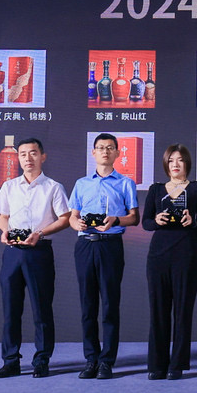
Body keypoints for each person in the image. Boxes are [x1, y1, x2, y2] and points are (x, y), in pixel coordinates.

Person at [0, 138, 71, 378]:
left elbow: (65, 218)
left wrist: (40, 233)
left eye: (33, 153)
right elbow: (2, 217)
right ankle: (10, 361)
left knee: (41, 309)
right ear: (18, 158)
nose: (28, 158)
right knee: (10, 309)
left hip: (39, 251)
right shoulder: (9, 186)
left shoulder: (53, 187)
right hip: (13, 252)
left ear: (42, 156)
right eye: (23, 154)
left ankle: (42, 360)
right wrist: (4, 231)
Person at [68, 134, 140, 380]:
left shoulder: (125, 183)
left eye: (110, 148)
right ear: (93, 153)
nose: (105, 151)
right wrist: (76, 223)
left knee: (109, 304)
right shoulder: (81, 183)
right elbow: (72, 215)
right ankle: (91, 359)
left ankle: (107, 361)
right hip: (85, 245)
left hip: (110, 245)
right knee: (87, 305)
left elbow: (134, 217)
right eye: (100, 148)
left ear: (118, 153)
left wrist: (115, 220)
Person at [143, 144, 197, 380]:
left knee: (182, 310)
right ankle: (156, 364)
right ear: (165, 164)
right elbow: (145, 222)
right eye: (171, 160)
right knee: (158, 310)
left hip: (187, 252)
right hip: (158, 254)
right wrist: (157, 220)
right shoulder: (156, 189)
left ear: (187, 163)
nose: (175, 164)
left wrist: (192, 220)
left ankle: (177, 364)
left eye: (180, 160)